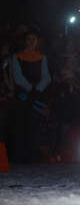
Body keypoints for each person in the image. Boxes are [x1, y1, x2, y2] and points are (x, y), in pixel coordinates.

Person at [10, 30, 51, 163]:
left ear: (37, 41)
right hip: (23, 95)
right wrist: (30, 89)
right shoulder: (17, 57)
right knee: (21, 125)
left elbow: (46, 77)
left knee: (35, 126)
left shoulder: (42, 57)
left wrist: (37, 90)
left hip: (37, 95)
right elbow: (17, 77)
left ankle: (33, 157)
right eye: (29, 39)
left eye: (34, 39)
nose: (31, 41)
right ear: (25, 41)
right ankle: (20, 157)